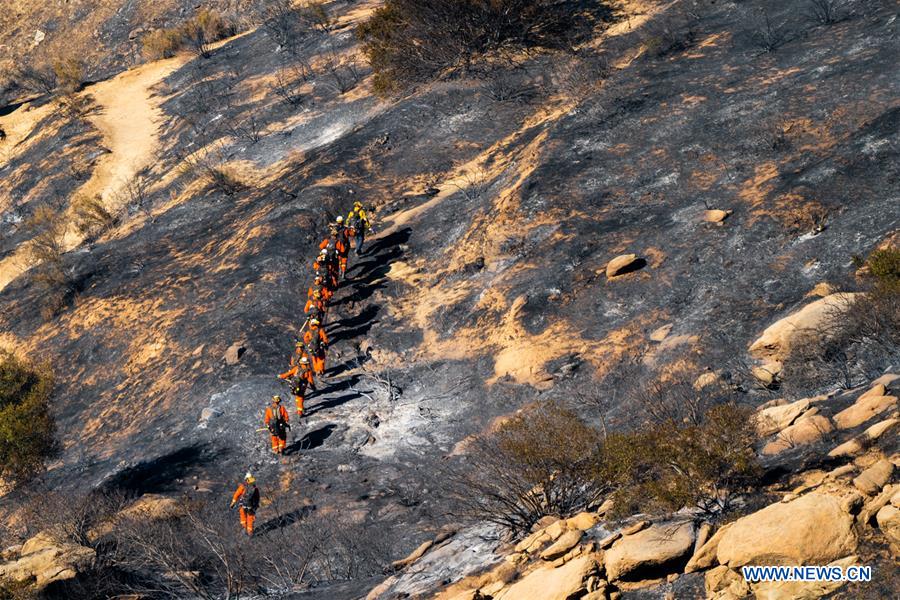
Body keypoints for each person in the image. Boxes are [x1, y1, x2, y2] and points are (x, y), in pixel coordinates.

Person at [279, 349, 316, 416]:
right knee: (300, 397)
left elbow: (288, 373)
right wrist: (313, 387)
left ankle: (299, 408)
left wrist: (281, 376)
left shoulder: (296, 368)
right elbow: (310, 380)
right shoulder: (308, 371)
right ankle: (300, 411)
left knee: (297, 396)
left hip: (294, 384)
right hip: (302, 386)